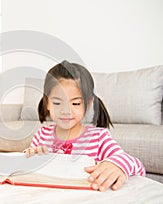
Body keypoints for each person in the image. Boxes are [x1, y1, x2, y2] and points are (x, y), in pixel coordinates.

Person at [24, 60, 145, 192]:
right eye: (57, 103)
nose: (66, 111)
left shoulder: (98, 137)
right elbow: (28, 167)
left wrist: (117, 165)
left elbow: (139, 168)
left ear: (88, 104)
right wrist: (30, 157)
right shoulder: (42, 135)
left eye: (75, 103)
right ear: (47, 103)